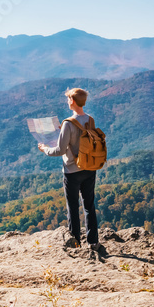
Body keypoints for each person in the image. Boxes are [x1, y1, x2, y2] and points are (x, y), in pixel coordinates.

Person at [38, 87, 100, 254]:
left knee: (72, 206)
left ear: (72, 101)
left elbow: (59, 150)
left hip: (72, 171)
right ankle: (93, 242)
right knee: (89, 205)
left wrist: (45, 149)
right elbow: (83, 140)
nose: (67, 102)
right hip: (89, 168)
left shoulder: (68, 123)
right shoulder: (90, 120)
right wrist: (63, 131)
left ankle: (75, 242)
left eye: (68, 99)